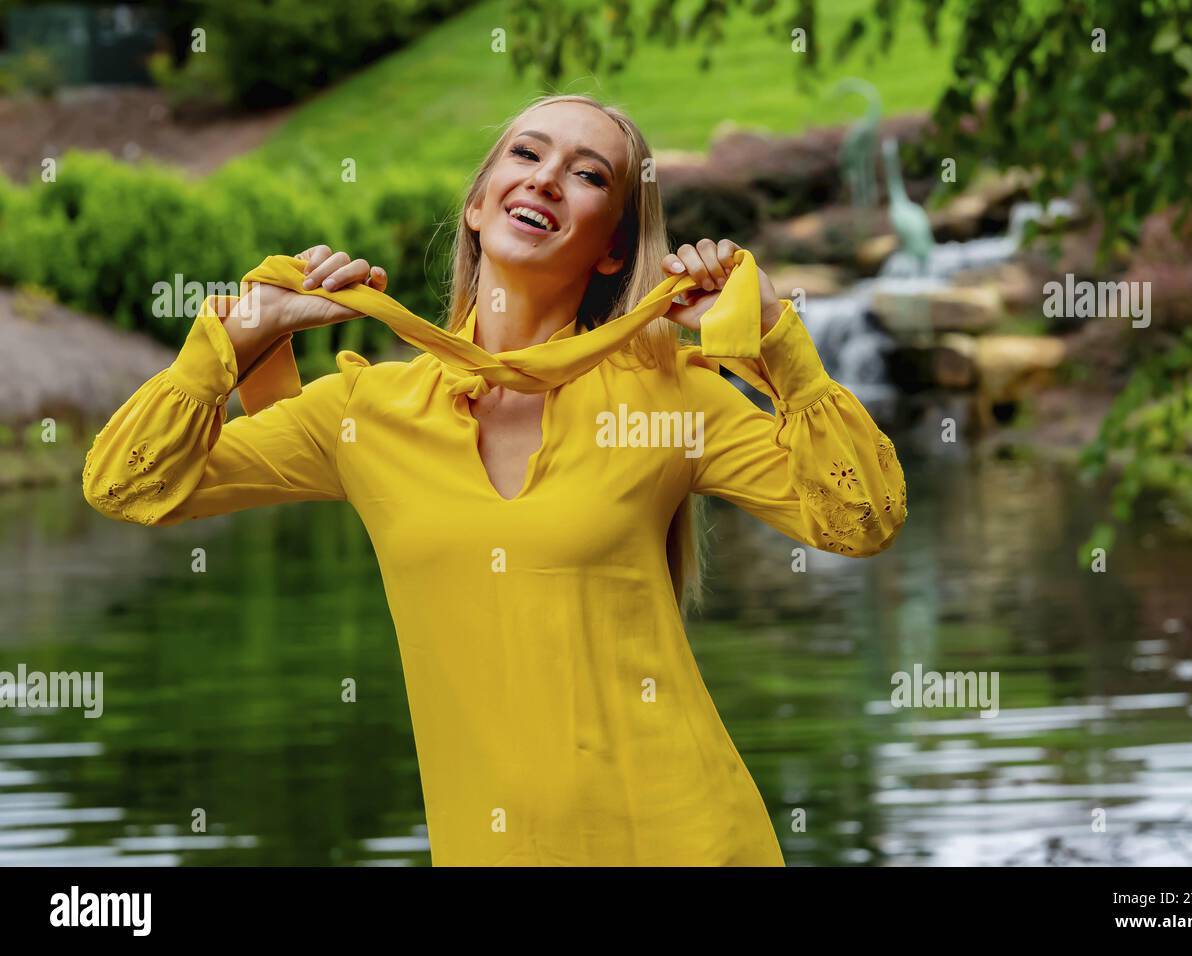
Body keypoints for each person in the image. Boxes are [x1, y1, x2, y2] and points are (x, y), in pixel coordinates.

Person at [82, 93, 907, 866]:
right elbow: (127, 486)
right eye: (527, 153)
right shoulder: (367, 412)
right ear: (479, 204)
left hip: (691, 839)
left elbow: (860, 521)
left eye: (589, 175)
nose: (547, 178)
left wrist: (776, 347)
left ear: (614, 244)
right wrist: (236, 342)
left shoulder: (671, 395)